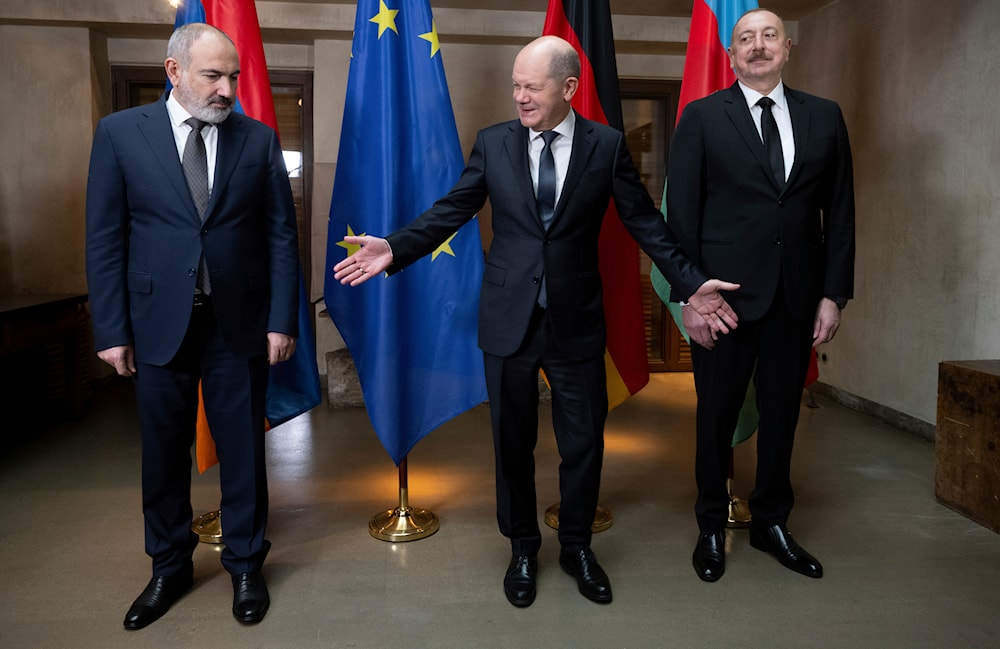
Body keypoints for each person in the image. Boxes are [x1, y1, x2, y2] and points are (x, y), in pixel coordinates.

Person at [333, 35, 739, 607]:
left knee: (583, 443)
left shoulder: (606, 146)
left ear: (569, 88)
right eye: (515, 86)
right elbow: (452, 210)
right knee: (511, 442)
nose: (519, 97)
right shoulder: (494, 143)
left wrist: (692, 282)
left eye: (532, 87)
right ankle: (523, 546)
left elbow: (644, 222)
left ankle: (575, 545)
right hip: (507, 321)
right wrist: (395, 249)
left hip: (575, 319)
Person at [85, 23, 300, 628]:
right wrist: (111, 328)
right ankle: (169, 567)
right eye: (213, 75)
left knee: (243, 453)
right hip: (156, 324)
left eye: (232, 75)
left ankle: (247, 565)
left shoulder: (257, 141)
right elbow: (104, 238)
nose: (227, 88)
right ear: (174, 72)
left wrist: (283, 319)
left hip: (240, 325)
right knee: (161, 454)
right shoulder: (121, 135)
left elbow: (281, 236)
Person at [667, 8, 855, 582]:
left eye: (768, 36)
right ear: (730, 55)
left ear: (788, 47)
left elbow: (841, 213)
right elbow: (683, 220)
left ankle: (772, 520)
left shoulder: (824, 117)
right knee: (715, 417)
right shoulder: (701, 118)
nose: (757, 46)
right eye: (745, 39)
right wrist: (689, 298)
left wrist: (832, 295)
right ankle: (710, 524)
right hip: (722, 302)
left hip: (796, 299)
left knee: (781, 417)